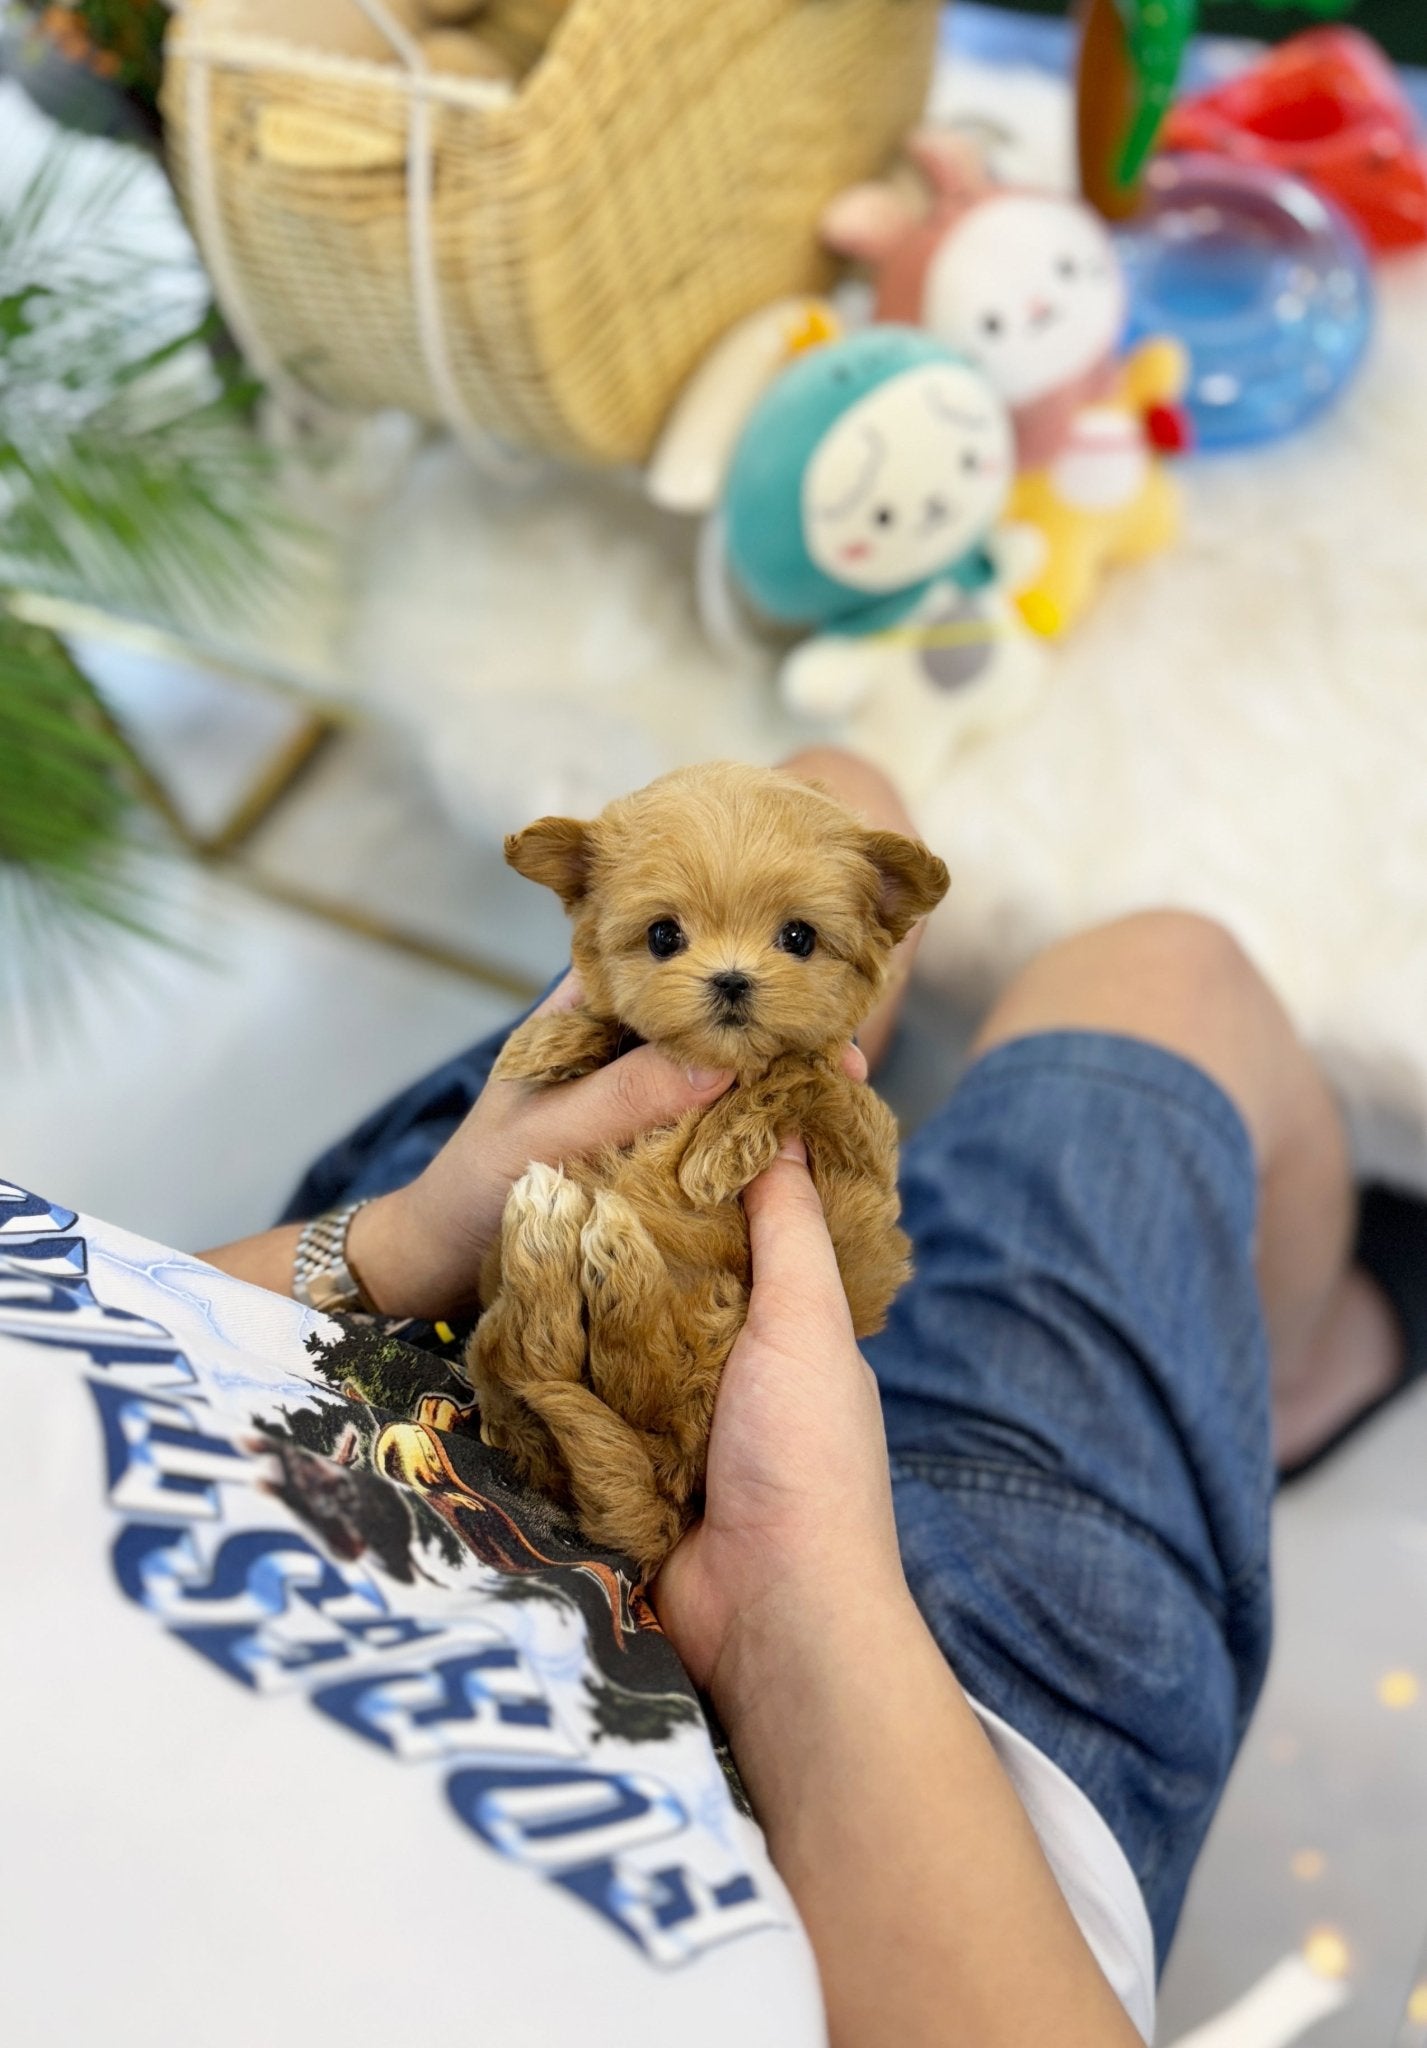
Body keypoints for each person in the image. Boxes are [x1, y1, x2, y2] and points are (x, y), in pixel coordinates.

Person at [200, 747, 1412, 2048]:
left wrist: (398, 1240)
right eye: (668, 937)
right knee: (1171, 979)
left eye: (788, 938)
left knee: (833, 788)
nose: (726, 969)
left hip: (341, 1340)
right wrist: (795, 1608)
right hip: (886, 1774)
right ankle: (1291, 1381)